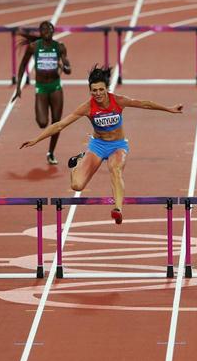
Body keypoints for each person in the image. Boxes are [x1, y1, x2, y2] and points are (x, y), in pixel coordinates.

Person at [20, 65, 183, 224]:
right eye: (94, 91)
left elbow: (145, 103)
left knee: (116, 170)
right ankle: (78, 162)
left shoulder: (118, 101)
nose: (97, 94)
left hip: (118, 145)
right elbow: (60, 125)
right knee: (77, 185)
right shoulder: (87, 107)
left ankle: (118, 209)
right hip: (97, 145)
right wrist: (37, 139)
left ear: (107, 89)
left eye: (101, 90)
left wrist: (169, 109)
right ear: (90, 91)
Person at [12, 21, 71, 165]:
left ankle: (51, 152)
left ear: (53, 31)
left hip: (55, 87)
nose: (47, 31)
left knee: (57, 123)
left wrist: (65, 66)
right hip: (41, 88)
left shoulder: (59, 47)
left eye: (50, 29)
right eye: (44, 29)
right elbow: (22, 66)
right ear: (40, 32)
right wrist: (18, 87)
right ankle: (43, 123)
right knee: (42, 123)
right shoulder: (34, 46)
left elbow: (68, 68)